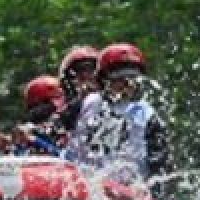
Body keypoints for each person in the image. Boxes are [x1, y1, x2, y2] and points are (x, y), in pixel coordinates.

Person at [68, 42, 171, 185]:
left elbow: (160, 167)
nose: (127, 83)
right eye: (120, 77)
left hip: (128, 194)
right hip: (82, 186)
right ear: (104, 80)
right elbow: (54, 128)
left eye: (133, 77)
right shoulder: (85, 104)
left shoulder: (149, 117)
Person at [57, 45, 100, 132]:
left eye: (93, 69)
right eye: (82, 69)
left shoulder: (116, 102)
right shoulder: (65, 112)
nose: (90, 75)